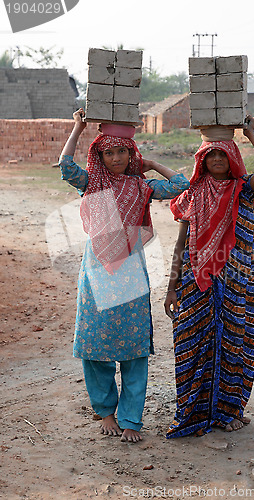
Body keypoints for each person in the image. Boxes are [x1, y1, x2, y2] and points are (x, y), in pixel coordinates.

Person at [59, 108, 190, 442]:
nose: (116, 157)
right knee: (94, 347)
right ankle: (106, 412)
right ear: (99, 155)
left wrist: (151, 165)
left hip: (132, 274)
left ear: (132, 153)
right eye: (109, 152)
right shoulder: (91, 183)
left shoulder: (140, 186)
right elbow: (66, 167)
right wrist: (78, 128)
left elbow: (181, 184)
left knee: (135, 350)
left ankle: (131, 417)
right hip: (96, 274)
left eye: (122, 151)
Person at [164, 116, 254, 438]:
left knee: (233, 343)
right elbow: (180, 244)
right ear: (202, 160)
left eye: (223, 155)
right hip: (195, 281)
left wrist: (251, 133)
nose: (216, 160)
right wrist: (171, 288)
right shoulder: (191, 194)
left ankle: (228, 410)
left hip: (236, 280)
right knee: (193, 343)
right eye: (210, 155)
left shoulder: (242, 190)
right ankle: (194, 412)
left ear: (233, 159)